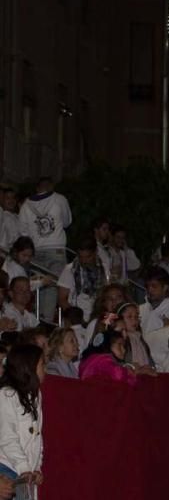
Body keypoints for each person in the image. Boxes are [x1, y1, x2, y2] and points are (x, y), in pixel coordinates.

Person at [18, 177, 72, 321]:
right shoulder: (60, 199)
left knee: (38, 285)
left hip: (36, 251)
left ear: (37, 188)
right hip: (56, 250)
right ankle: (45, 321)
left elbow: (23, 232)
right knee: (53, 286)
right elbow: (67, 221)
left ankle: (38, 319)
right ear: (51, 187)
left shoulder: (25, 205)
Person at [0, 344, 45, 484]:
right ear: (29, 368)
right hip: (6, 467)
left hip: (24, 470)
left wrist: (36, 466)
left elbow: (37, 435)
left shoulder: (36, 395)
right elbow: (7, 437)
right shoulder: (6, 395)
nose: (46, 370)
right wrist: (24, 467)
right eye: (42, 365)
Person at [56, 238, 106, 321]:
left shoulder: (104, 269)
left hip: (98, 318)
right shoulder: (70, 269)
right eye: (81, 257)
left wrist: (106, 321)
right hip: (76, 321)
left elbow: (107, 295)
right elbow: (61, 299)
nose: (84, 261)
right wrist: (76, 318)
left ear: (95, 252)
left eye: (88, 257)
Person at [79, 330, 152, 386]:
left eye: (124, 346)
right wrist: (136, 373)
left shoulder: (94, 360)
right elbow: (119, 375)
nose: (124, 350)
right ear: (108, 345)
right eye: (119, 345)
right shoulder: (103, 360)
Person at [138, 266, 169, 332]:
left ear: (165, 287)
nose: (149, 290)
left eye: (154, 286)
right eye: (147, 286)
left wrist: (168, 330)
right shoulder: (140, 309)